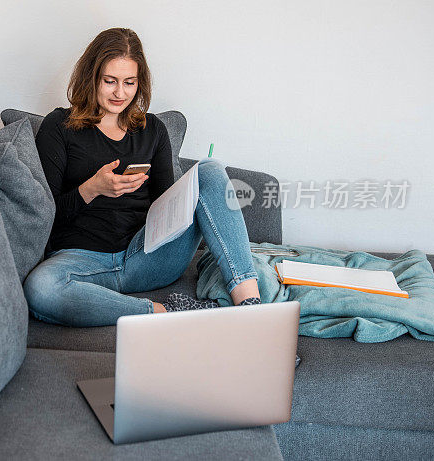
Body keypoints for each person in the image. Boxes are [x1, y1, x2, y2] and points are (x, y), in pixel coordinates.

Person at [24, 27, 263, 327]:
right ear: (92, 77)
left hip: (146, 256)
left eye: (129, 83)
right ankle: (167, 314)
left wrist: (177, 203)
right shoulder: (59, 126)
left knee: (210, 171)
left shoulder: (153, 131)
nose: (120, 93)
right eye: (109, 81)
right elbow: (44, 216)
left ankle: (253, 314)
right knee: (40, 288)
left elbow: (167, 210)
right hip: (80, 260)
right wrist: (92, 188)